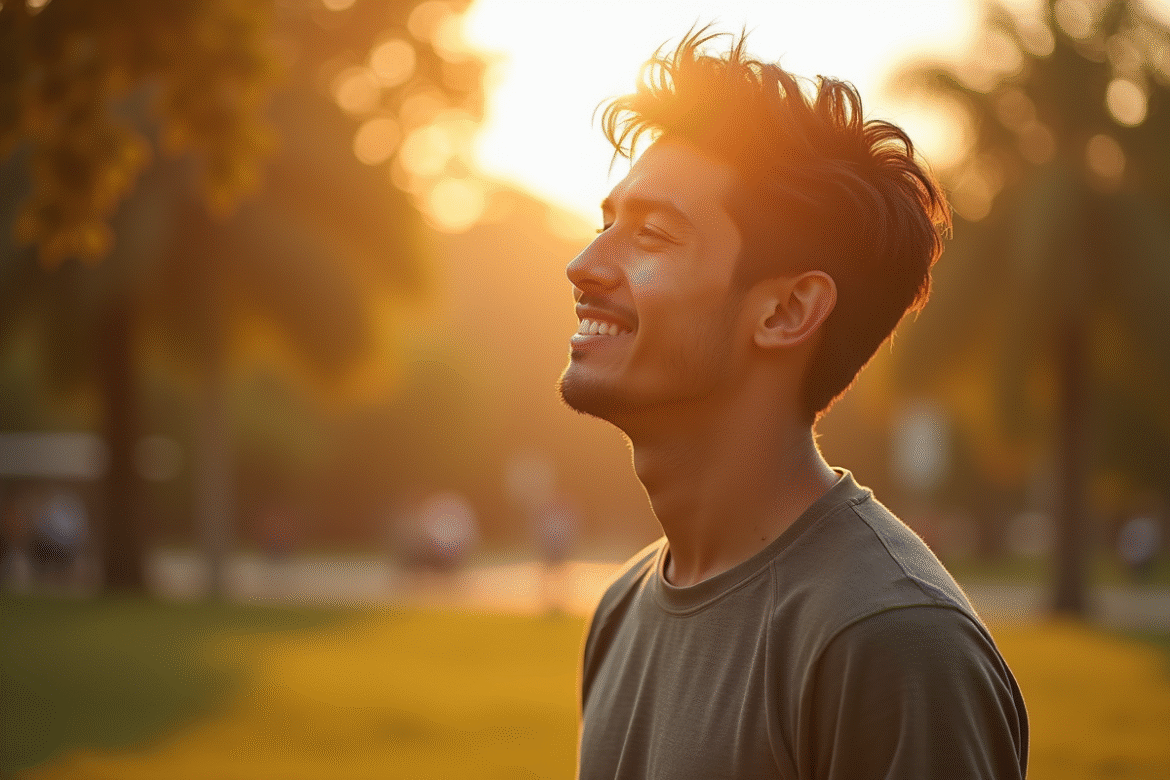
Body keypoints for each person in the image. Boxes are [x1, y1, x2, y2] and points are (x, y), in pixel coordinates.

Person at [558, 29, 1029, 779]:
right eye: (604, 224)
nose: (583, 266)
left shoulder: (891, 640)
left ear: (785, 312)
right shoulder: (623, 609)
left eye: (650, 234)